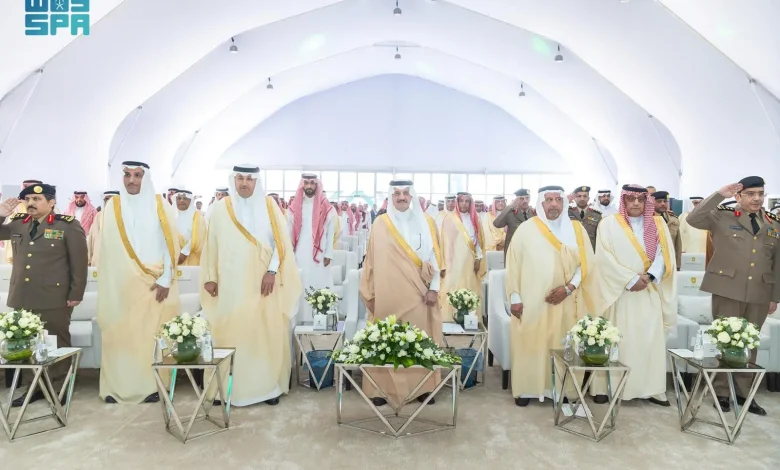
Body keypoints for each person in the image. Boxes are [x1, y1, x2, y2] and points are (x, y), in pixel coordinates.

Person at [200, 165, 301, 407]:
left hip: (261, 283)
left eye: (249, 179)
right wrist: (211, 277)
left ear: (256, 182)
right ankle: (223, 388)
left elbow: (281, 244)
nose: (244, 183)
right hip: (230, 285)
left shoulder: (269, 207)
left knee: (263, 332)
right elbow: (211, 243)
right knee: (228, 332)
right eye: (240, 178)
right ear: (234, 180)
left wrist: (272, 271)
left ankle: (267, 388)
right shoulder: (221, 208)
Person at [685, 176, 779, 416]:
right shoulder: (722, 216)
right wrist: (720, 194)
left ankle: (744, 393)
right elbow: (693, 218)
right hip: (727, 288)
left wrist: (775, 296)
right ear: (738, 196)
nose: (757, 198)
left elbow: (777, 263)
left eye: (761, 194)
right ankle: (722, 392)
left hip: (760, 291)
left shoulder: (773, 223)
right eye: (751, 194)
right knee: (726, 340)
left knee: (750, 343)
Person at [98, 161, 180, 404]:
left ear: (147, 178)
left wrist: (166, 279)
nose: (131, 180)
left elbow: (171, 245)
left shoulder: (160, 205)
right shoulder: (113, 206)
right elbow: (107, 250)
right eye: (127, 175)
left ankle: (152, 386)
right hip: (121, 285)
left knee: (149, 337)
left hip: (153, 283)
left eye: (137, 175)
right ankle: (117, 387)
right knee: (120, 335)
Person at [586, 184, 676, 406]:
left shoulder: (658, 224)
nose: (636, 203)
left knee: (648, 341)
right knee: (616, 340)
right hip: (618, 293)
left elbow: (664, 254)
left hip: (649, 291)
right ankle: (605, 388)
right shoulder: (608, 224)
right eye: (631, 199)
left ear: (646, 202)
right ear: (623, 200)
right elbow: (603, 258)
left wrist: (650, 276)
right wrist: (629, 279)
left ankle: (651, 389)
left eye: (640, 199)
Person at [0, 183, 88, 406]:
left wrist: (76, 293)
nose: (31, 203)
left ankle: (59, 386)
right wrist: (1, 215)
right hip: (23, 295)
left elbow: (79, 263)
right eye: (28, 199)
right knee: (28, 342)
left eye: (37, 199)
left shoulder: (67, 226)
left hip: (54, 296)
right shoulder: (18, 223)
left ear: (51, 202)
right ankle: (34, 386)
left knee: (56, 342)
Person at [506, 186, 594, 406]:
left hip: (568, 300)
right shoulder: (526, 229)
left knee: (564, 344)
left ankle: (563, 390)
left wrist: (569, 288)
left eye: (558, 199)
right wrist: (515, 298)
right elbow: (513, 265)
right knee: (530, 341)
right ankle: (527, 389)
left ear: (564, 202)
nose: (554, 204)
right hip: (532, 300)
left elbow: (586, 264)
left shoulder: (577, 230)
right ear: (540, 203)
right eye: (549, 200)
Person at [361, 180, 443, 407]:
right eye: (396, 193)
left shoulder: (427, 222)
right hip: (387, 293)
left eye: (406, 193)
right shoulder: (380, 224)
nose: (401, 197)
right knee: (385, 338)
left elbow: (435, 257)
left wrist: (434, 288)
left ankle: (422, 388)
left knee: (418, 338)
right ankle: (381, 389)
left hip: (418, 294)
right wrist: (371, 293)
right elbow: (370, 262)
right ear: (390, 197)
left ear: (412, 196)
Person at [440, 192, 486, 322]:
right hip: (454, 261)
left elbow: (479, 241)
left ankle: (470, 320)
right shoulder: (450, 219)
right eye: (461, 201)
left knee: (470, 286)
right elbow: (445, 242)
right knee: (452, 287)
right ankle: (449, 319)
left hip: (470, 260)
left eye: (467, 201)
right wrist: (445, 264)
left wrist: (479, 258)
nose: (464, 204)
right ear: (457, 202)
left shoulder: (476, 218)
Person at [288, 173, 337, 292]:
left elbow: (330, 232)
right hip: (300, 250)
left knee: (319, 280)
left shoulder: (325, 206)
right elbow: (289, 231)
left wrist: (329, 254)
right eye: (306, 183)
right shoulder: (295, 205)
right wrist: (290, 253)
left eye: (312, 183)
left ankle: (320, 303)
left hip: (320, 251)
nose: (309, 186)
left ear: (317, 185)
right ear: (302, 185)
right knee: (301, 279)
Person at [493, 189, 535, 258]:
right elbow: (497, 224)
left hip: (530, 251)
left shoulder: (535, 213)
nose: (525, 201)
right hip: (513, 252)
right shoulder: (510, 213)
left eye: (527, 198)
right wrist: (510, 206)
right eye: (522, 198)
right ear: (516, 200)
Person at [175, 188, 206, 266]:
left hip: (191, 258)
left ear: (190, 201)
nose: (181, 201)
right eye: (179, 198)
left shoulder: (198, 216)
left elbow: (199, 237)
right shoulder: (171, 215)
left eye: (185, 198)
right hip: (173, 257)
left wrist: (184, 253)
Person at [87, 190, 120, 266]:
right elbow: (91, 239)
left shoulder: (124, 216)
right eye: (106, 199)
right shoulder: (99, 216)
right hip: (99, 260)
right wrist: (88, 259)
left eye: (111, 199)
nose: (108, 202)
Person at [652, 191, 682, 269]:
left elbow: (678, 244)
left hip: (670, 263)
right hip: (652, 264)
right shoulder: (647, 221)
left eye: (665, 201)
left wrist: (677, 265)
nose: (663, 204)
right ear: (652, 203)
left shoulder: (673, 220)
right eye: (659, 201)